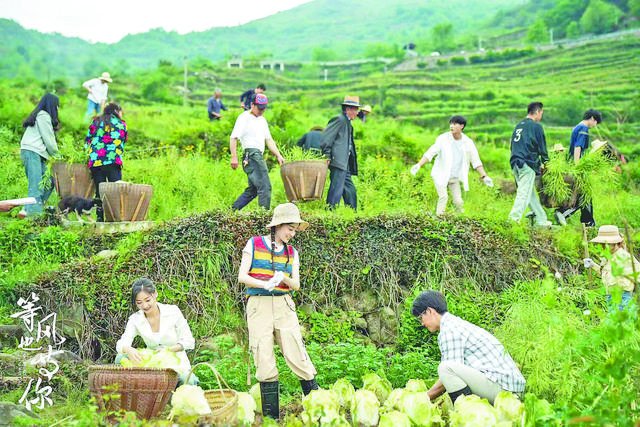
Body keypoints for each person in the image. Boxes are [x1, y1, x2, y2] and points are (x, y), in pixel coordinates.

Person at [237, 203, 318, 419]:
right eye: (290, 228)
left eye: (294, 229)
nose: (292, 233)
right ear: (278, 225)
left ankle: (317, 407)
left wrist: (283, 278)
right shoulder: (254, 244)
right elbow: (242, 276)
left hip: (284, 304)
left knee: (297, 352)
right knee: (263, 355)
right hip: (258, 303)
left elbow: (296, 285)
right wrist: (265, 284)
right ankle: (272, 419)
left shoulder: (292, 252)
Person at [412, 290, 525, 405]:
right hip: (507, 389)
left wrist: (423, 398)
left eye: (421, 317)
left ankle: (470, 413)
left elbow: (448, 373)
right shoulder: (454, 324)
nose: (422, 323)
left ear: (429, 311)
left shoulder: (449, 330)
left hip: (506, 393)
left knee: (445, 368)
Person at [115, 278, 198, 386]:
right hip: (152, 364)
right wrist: (128, 349)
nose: (144, 306)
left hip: (176, 362)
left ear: (155, 294)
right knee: (120, 358)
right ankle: (140, 392)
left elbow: (189, 341)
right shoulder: (136, 319)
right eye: (139, 303)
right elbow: (121, 343)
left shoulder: (173, 311)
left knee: (187, 380)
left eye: (148, 300)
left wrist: (168, 350)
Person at [410, 115, 493, 216]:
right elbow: (431, 152)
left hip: (454, 177)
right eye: (451, 124)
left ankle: (461, 222)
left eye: (454, 124)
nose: (451, 126)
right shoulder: (443, 139)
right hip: (440, 174)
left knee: (459, 202)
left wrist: (484, 176)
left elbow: (476, 161)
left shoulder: (468, 142)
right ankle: (438, 220)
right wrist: (419, 165)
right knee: (443, 197)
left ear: (462, 126)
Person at [230, 94, 285, 211]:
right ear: (252, 105)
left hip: (257, 155)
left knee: (254, 190)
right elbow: (233, 137)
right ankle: (263, 218)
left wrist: (278, 155)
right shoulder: (243, 117)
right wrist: (234, 157)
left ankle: (231, 211)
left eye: (263, 108)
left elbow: (269, 140)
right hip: (251, 155)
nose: (261, 110)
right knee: (265, 186)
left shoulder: (262, 120)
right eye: (259, 107)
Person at [554, 109, 602, 227]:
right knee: (584, 196)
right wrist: (578, 167)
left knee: (584, 195)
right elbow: (578, 148)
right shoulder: (583, 129)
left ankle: (588, 222)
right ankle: (564, 213)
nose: (595, 126)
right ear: (592, 119)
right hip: (577, 167)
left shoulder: (577, 127)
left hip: (573, 166)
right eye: (596, 122)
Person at [508, 102, 550, 227]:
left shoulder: (519, 126)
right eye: (541, 113)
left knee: (529, 193)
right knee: (523, 193)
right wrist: (546, 163)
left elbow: (512, 145)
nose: (541, 116)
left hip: (515, 162)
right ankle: (513, 220)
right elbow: (542, 147)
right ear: (537, 112)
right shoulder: (536, 127)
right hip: (526, 163)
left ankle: (541, 220)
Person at [19, 93, 60, 217]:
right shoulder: (43, 115)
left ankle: (27, 209)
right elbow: (49, 139)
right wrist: (58, 156)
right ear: (52, 105)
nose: (58, 109)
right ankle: (34, 217)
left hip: (36, 153)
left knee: (49, 182)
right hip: (32, 152)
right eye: (57, 106)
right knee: (36, 184)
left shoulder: (41, 115)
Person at [86, 103, 127, 222]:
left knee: (100, 191)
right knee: (115, 189)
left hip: (96, 160)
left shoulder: (95, 121)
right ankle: (115, 218)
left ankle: (100, 218)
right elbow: (124, 139)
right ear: (116, 111)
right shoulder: (121, 124)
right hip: (113, 160)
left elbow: (88, 139)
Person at [583, 225, 639, 311]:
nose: (602, 246)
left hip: (622, 300)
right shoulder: (610, 257)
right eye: (602, 243)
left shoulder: (623, 257)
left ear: (615, 243)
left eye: (606, 243)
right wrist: (593, 265)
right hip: (612, 299)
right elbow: (609, 275)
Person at [320, 95, 360, 210]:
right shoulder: (339, 120)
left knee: (350, 190)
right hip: (337, 161)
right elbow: (326, 138)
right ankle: (330, 213)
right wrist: (327, 155)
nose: (357, 113)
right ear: (348, 109)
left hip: (344, 163)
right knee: (336, 190)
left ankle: (352, 214)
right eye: (355, 110)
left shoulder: (348, 123)